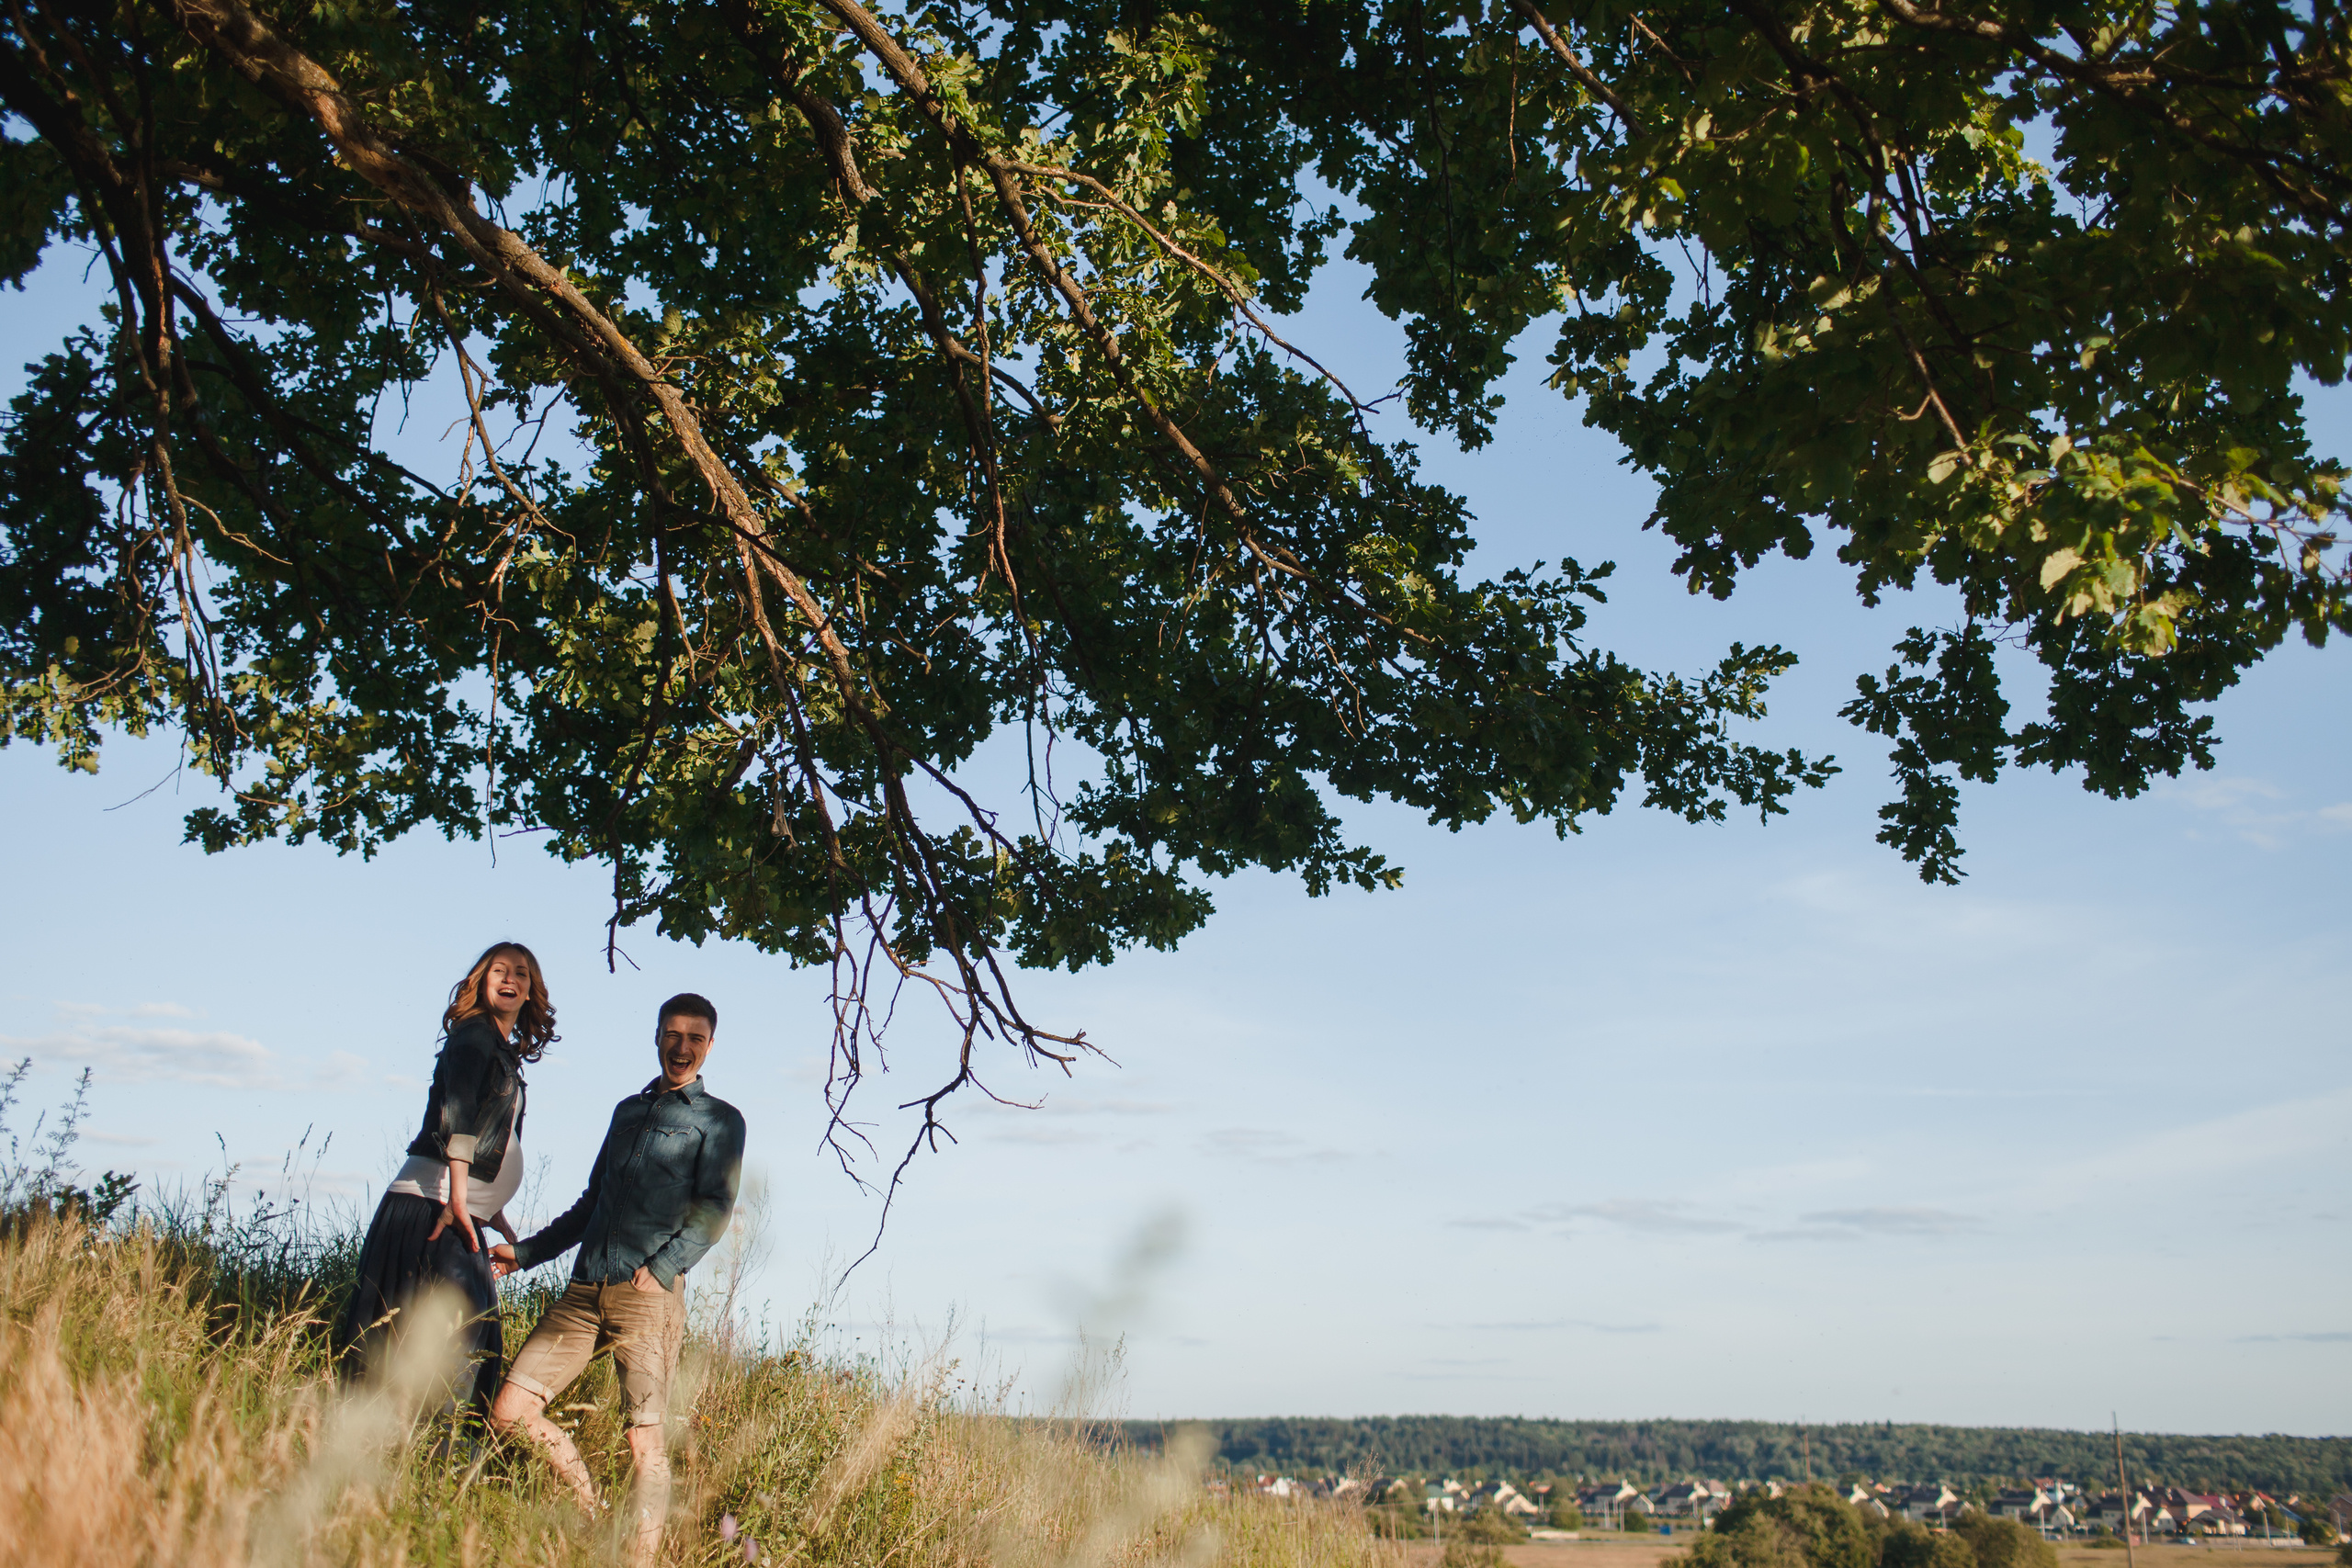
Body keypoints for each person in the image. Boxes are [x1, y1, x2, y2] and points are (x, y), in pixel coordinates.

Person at [489, 992, 746, 1562]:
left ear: (709, 1045)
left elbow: (715, 1208)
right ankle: (593, 1514)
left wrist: (660, 1271)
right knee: (510, 1410)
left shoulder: (720, 1120)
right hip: (583, 1292)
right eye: (672, 1035)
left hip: (646, 1298)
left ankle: (640, 1559)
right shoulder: (626, 1112)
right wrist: (525, 1253)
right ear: (656, 1036)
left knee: (645, 1441)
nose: (682, 1048)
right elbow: (590, 1204)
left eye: (695, 1038)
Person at [334, 941, 556, 1426]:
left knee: (464, 1340)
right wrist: (460, 1198)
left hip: (460, 1207)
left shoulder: (501, 1050)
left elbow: (489, 1138)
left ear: (531, 991)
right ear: (480, 979)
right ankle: (431, 1455)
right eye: (499, 969)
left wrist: (491, 1207)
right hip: (432, 1207)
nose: (509, 978)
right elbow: (457, 1116)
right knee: (457, 1337)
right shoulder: (474, 1035)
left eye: (521, 972)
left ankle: (434, 1460)